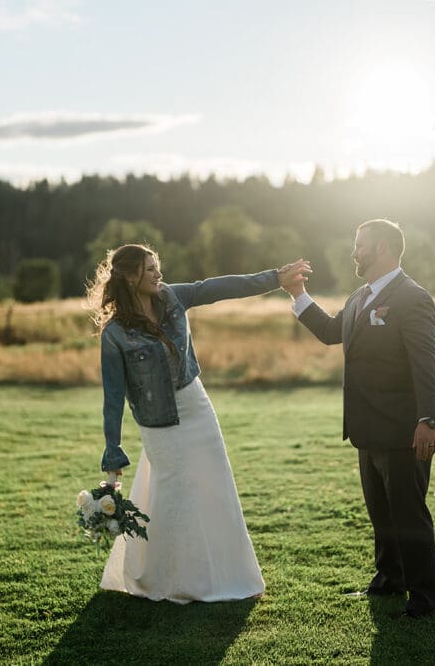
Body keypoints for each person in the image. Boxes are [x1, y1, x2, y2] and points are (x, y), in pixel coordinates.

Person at [86, 243, 310, 603]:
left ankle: (223, 577)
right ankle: (169, 581)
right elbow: (113, 398)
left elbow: (218, 287)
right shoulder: (115, 335)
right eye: (150, 269)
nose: (159, 274)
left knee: (213, 486)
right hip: (157, 423)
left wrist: (275, 278)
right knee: (175, 496)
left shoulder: (172, 297)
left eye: (157, 266)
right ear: (129, 278)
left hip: (195, 406)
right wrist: (112, 454)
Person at [281, 219, 435, 619]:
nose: (354, 253)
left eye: (360, 246)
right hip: (366, 428)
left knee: (408, 515)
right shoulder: (359, 297)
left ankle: (423, 598)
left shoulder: (413, 297)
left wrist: (430, 420)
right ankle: (389, 580)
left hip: (405, 429)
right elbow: (330, 331)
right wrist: (299, 294)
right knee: (381, 513)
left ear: (384, 247)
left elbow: (427, 363)